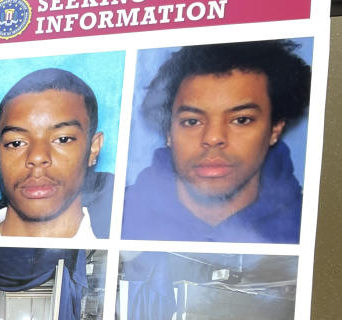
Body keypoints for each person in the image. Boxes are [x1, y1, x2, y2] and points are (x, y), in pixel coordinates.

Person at [122, 39, 310, 243]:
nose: (213, 138)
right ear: (168, 131)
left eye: (241, 120)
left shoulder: (312, 225)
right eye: (192, 121)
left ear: (275, 128)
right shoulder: (115, 216)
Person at [0, 68, 114, 238]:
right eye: (16, 143)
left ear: (94, 148)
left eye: (62, 139)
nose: (37, 157)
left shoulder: (134, 244)